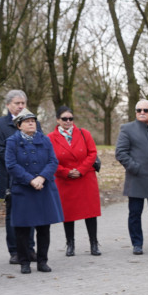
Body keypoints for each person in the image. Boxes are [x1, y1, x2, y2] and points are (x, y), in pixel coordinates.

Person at [6, 109, 64, 274]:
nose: (31, 123)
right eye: (27, 121)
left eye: (33, 120)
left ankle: (42, 261)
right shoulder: (12, 141)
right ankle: (24, 262)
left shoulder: (45, 140)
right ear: (19, 125)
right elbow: (11, 165)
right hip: (23, 189)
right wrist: (30, 179)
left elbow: (53, 161)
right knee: (22, 228)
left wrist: (42, 178)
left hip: (43, 188)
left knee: (44, 227)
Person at [47, 106, 102, 257]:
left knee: (90, 213)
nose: (68, 121)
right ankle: (70, 244)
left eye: (71, 118)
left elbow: (92, 153)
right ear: (58, 120)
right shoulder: (50, 138)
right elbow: (50, 159)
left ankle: (94, 243)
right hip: (65, 180)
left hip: (85, 177)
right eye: (64, 119)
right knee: (68, 214)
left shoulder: (84, 134)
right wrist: (66, 172)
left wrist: (81, 170)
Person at [116, 99, 148, 255]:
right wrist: (134, 167)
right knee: (135, 213)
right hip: (136, 178)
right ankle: (137, 244)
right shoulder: (127, 129)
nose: (142, 113)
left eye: (145, 110)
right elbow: (121, 153)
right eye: (139, 110)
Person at [0, 89, 30, 264]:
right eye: (17, 103)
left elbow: (41, 143)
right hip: (10, 177)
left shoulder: (32, 121)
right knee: (12, 215)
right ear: (8, 105)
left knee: (31, 213)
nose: (21, 106)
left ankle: (30, 248)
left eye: (23, 103)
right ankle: (15, 251)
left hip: (31, 176)